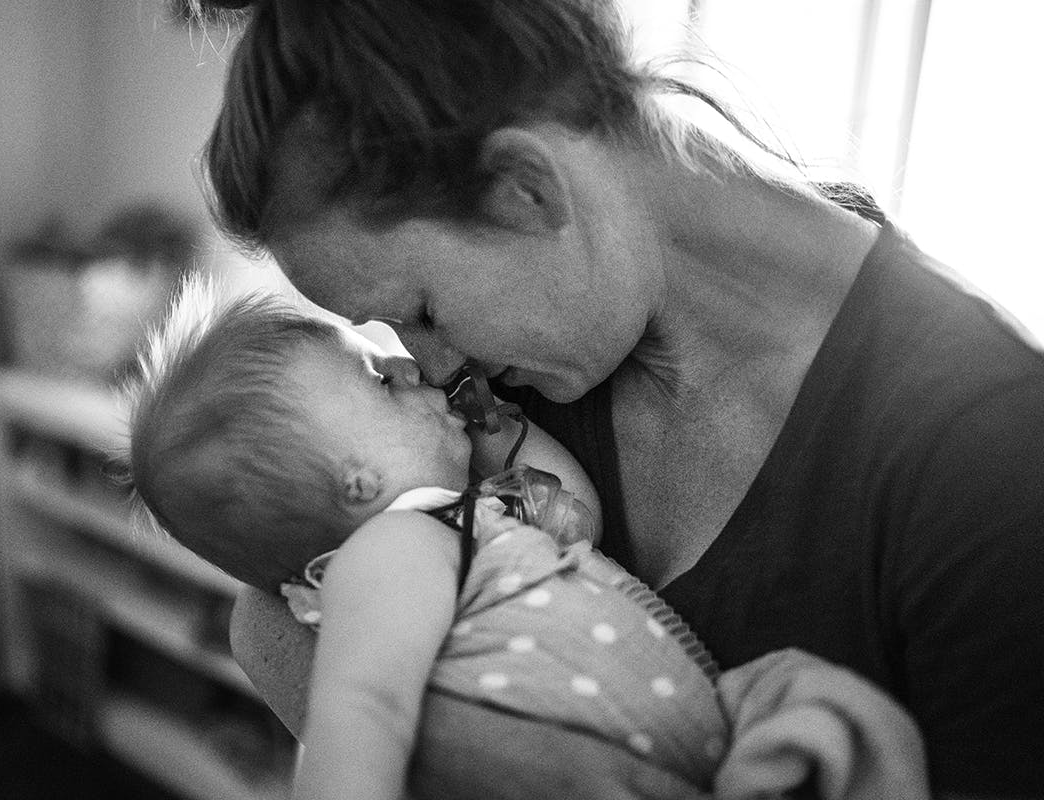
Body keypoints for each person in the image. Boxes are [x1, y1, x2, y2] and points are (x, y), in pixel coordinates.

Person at [188, 1, 1044, 796]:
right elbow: (270, 609)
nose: (428, 365)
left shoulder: (990, 462)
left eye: (420, 312)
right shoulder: (510, 385)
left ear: (526, 189)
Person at [121, 277, 928, 800]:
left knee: (816, 702)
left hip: (679, 740)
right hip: (590, 761)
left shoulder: (466, 521)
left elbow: (577, 518)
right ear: (357, 479)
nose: (407, 368)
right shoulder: (388, 555)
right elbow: (361, 707)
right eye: (374, 377)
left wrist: (497, 433)